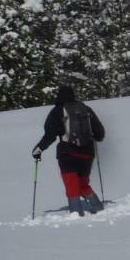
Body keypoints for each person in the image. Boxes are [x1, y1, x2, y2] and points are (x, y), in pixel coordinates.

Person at [32, 84, 106, 216]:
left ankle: (76, 214)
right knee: (83, 184)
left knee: (72, 185)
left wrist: (38, 149)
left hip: (68, 154)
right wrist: (93, 137)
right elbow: (100, 133)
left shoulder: (57, 111)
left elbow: (49, 136)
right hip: (87, 153)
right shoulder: (86, 109)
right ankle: (98, 208)